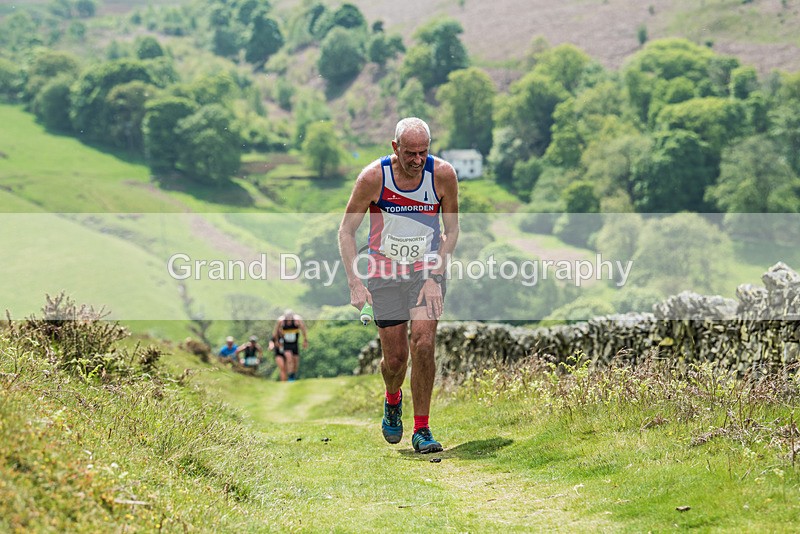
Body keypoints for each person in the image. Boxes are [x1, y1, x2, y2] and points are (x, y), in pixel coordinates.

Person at [338, 117, 459, 453]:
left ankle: (422, 429)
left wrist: (436, 276)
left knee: (423, 342)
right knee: (395, 360)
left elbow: (452, 232)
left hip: (426, 272)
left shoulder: (443, 176)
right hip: (384, 272)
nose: (417, 160)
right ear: (395, 148)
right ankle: (393, 399)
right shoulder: (374, 178)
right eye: (410, 153)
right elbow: (346, 231)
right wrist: (354, 282)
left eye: (423, 152)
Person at [274, 309, 308, 381]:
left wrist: (305, 340)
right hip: (286, 344)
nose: (289, 321)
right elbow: (276, 331)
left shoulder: (297, 320)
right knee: (289, 359)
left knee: (295, 362)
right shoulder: (281, 321)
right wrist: (276, 341)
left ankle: (293, 375)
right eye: (287, 319)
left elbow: (303, 329)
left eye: (290, 319)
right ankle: (290, 377)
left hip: (295, 343)